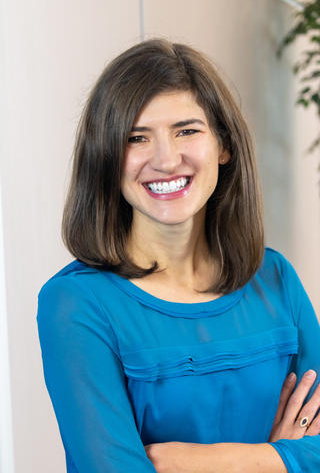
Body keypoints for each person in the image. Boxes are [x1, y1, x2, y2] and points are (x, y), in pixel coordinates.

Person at [37, 38, 320, 473]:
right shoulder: (77, 305)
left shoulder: (276, 278)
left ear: (223, 146)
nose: (167, 160)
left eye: (187, 130)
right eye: (137, 137)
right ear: (107, 159)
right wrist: (285, 459)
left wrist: (189, 461)